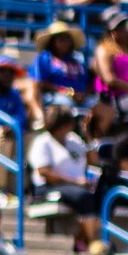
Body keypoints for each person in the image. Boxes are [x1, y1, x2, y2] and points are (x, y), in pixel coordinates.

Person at [29, 102, 101, 246]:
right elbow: (44, 173)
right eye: (69, 122)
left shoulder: (73, 140)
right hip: (48, 187)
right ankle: (93, 244)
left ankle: (82, 239)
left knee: (103, 195)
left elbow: (93, 162)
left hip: (77, 186)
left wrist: (87, 136)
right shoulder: (43, 142)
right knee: (84, 197)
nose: (72, 125)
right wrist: (75, 181)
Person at [29, 21, 92, 125]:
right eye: (61, 39)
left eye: (67, 39)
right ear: (52, 42)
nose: (65, 42)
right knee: (65, 103)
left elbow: (86, 82)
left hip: (80, 97)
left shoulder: (76, 61)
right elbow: (40, 83)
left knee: (97, 106)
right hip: (56, 96)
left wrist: (83, 94)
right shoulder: (44, 58)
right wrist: (67, 92)